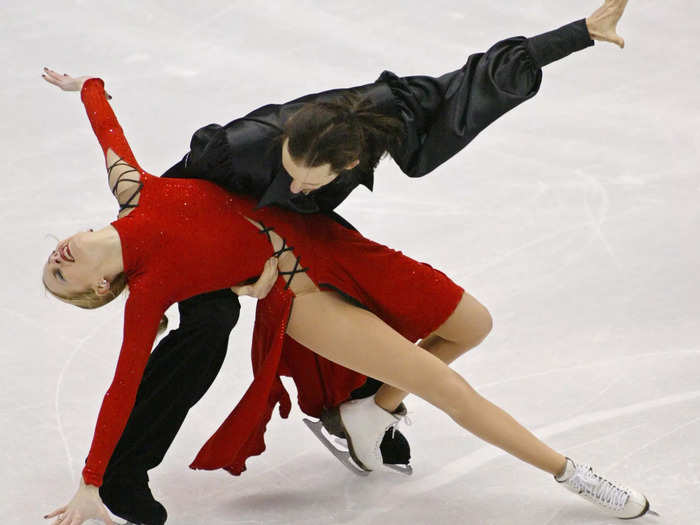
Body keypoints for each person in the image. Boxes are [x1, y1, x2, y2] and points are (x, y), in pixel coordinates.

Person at [43, 2, 634, 524]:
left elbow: (104, 121)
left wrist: (578, 32)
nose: (293, 185)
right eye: (63, 277)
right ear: (101, 285)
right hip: (301, 292)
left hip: (331, 244)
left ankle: (371, 412)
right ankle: (572, 474)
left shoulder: (134, 190)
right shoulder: (153, 283)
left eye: (52, 261)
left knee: (473, 325)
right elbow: (124, 383)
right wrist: (91, 480)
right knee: (445, 387)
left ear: (344, 162)